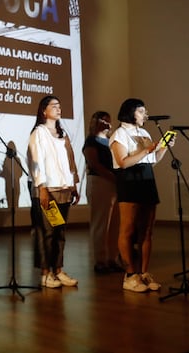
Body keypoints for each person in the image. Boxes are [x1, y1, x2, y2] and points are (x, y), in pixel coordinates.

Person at [109, 98, 171, 293]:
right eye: (141, 111)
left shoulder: (143, 132)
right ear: (130, 112)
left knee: (147, 231)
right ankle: (130, 275)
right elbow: (123, 162)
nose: (145, 115)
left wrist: (163, 148)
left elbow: (152, 160)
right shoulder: (119, 134)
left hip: (146, 178)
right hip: (128, 179)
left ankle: (144, 273)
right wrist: (146, 150)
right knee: (127, 230)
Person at [27, 95, 80, 289]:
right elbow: (35, 161)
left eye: (59, 105)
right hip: (48, 190)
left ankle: (58, 269)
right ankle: (46, 273)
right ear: (43, 111)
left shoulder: (62, 134)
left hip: (64, 189)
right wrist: (42, 188)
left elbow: (70, 161)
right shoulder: (39, 133)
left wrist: (73, 184)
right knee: (47, 233)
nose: (58, 109)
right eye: (53, 106)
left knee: (60, 232)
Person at [83, 111, 122, 274]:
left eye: (108, 120)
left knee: (115, 224)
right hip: (100, 182)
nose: (106, 123)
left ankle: (112, 259)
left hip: (115, 184)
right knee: (101, 223)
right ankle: (100, 261)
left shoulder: (111, 140)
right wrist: (112, 177)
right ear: (95, 122)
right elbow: (94, 163)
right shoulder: (91, 140)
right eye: (103, 120)